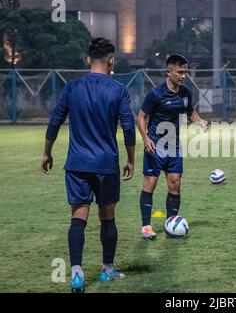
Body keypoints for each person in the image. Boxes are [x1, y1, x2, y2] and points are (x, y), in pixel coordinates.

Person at [41, 38, 136, 292]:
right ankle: (107, 270)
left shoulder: (72, 88)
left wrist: (47, 153)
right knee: (107, 217)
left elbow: (55, 120)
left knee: (78, 216)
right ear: (111, 60)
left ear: (87, 60)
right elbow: (128, 127)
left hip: (77, 164)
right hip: (106, 164)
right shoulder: (119, 90)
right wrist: (131, 159)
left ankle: (76, 274)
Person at [138, 54, 208, 240]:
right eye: (180, 72)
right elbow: (141, 117)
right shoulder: (156, 94)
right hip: (155, 145)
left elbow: (190, 112)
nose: (183, 75)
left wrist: (200, 121)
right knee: (150, 184)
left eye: (185, 72)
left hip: (174, 146)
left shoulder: (185, 93)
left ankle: (171, 224)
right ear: (169, 72)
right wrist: (146, 139)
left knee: (175, 184)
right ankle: (146, 226)